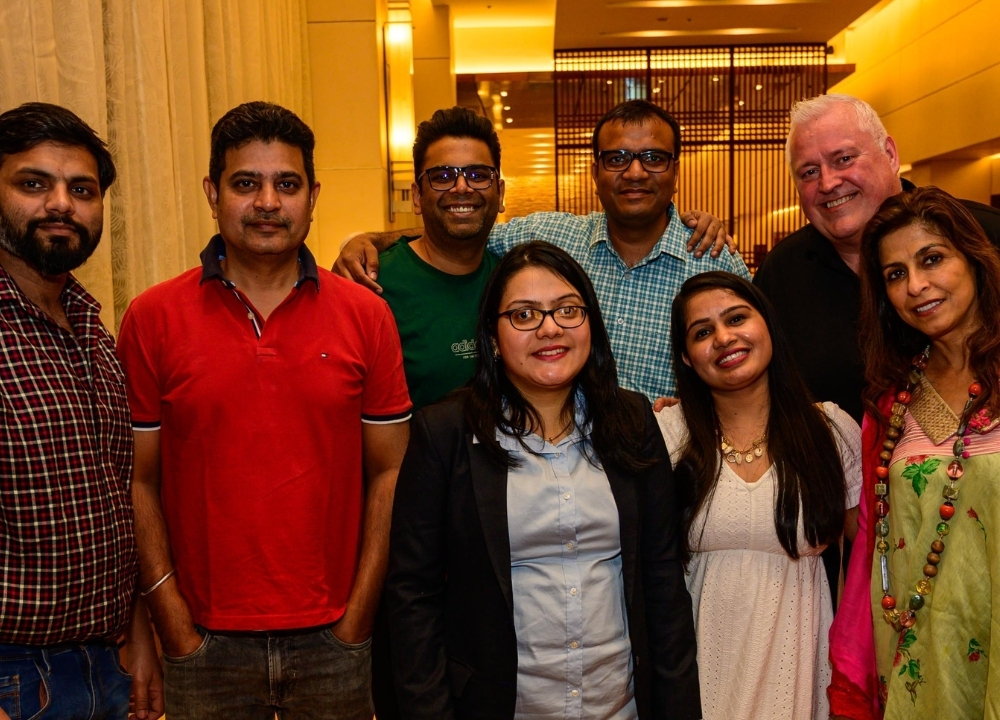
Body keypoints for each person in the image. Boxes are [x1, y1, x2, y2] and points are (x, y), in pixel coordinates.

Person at [116, 101, 411, 719]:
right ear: (212, 193)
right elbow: (137, 479)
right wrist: (173, 623)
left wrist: (358, 618)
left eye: (287, 184)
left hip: (335, 640)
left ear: (313, 195)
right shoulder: (152, 318)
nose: (268, 202)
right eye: (246, 183)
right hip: (202, 644)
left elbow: (389, 473)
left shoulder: (367, 316)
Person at [386, 241, 701, 719]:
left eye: (567, 310)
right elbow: (413, 594)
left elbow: (662, 576)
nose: (550, 328)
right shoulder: (445, 432)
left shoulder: (632, 420)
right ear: (492, 337)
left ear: (590, 322)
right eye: (523, 315)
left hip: (619, 705)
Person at [337, 100, 751, 401]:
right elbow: (463, 226)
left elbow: (750, 374)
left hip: (677, 476)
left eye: (654, 158)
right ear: (595, 172)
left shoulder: (714, 257)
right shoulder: (551, 237)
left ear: (675, 171)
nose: (635, 172)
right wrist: (372, 239)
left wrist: (695, 414)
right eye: (618, 158)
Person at [0, 102, 162, 720]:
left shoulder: (94, 331)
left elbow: (121, 493)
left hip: (107, 660)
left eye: (82, 189)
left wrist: (139, 626)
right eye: (33, 183)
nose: (61, 204)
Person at [655, 271, 861, 720]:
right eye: (703, 332)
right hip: (696, 673)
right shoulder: (668, 436)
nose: (724, 338)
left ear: (767, 324)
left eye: (736, 318)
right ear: (688, 359)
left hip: (803, 670)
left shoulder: (830, 431)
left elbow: (867, 558)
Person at [828, 187, 1000, 720]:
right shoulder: (891, 402)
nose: (916, 286)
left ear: (973, 259)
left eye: (932, 259)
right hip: (918, 656)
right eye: (896, 274)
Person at [755, 94, 1000, 424]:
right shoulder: (781, 274)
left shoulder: (984, 235)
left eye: (843, 159)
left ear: (890, 154)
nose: (828, 183)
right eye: (809, 172)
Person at [378, 106, 504, 412]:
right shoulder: (375, 285)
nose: (462, 187)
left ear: (500, 193)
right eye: (443, 176)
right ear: (418, 197)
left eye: (478, 175)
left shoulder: (513, 281)